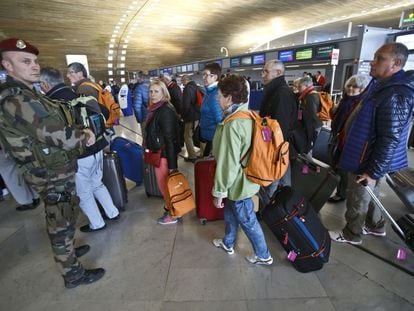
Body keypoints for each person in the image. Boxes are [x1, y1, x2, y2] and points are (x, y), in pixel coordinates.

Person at [0, 38, 104, 288]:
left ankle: (66, 253)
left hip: (53, 167)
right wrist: (84, 135)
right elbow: (52, 133)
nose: (34, 66)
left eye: (35, 61)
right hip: (48, 171)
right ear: (7, 66)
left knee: (64, 213)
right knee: (60, 218)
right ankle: (72, 274)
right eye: (25, 61)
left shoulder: (27, 94)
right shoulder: (16, 100)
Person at [329, 42, 414, 245]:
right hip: (365, 153)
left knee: (357, 196)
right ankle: (375, 226)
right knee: (370, 192)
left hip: (366, 157)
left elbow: (389, 138)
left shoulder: (395, 93)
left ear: (397, 63)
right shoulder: (381, 86)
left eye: (380, 58)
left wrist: (373, 172)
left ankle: (352, 233)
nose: (373, 62)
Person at [212, 74, 273, 265]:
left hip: (239, 183)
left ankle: (264, 255)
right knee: (231, 213)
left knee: (248, 220)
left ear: (230, 98)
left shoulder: (233, 125)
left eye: (220, 95)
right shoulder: (249, 115)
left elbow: (227, 163)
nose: (217, 98)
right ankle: (228, 242)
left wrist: (219, 191)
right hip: (244, 179)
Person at [65, 63, 120, 232]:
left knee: (85, 191)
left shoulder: (83, 89)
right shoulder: (94, 85)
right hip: (100, 141)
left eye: (71, 73)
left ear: (80, 73)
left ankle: (97, 222)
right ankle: (112, 212)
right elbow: (103, 110)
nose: (68, 76)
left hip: (89, 145)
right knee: (97, 182)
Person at [257, 60, 298, 208]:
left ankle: (271, 211)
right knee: (282, 181)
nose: (262, 75)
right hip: (279, 147)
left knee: (272, 181)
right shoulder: (274, 91)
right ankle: (281, 210)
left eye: (266, 71)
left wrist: (270, 146)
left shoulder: (282, 94)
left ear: (279, 73)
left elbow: (279, 126)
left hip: (278, 147)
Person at [328, 74, 370, 203]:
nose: (351, 89)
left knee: (344, 171)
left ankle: (342, 193)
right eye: (349, 86)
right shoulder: (345, 100)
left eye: (355, 86)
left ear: (363, 89)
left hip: (350, 144)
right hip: (339, 139)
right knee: (338, 167)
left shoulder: (361, 104)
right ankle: (341, 191)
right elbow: (336, 118)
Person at [144, 80, 181, 225]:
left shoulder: (164, 111)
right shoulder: (156, 109)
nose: (152, 94)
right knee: (165, 186)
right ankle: (171, 208)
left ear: (164, 93)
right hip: (160, 154)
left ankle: (173, 215)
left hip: (164, 156)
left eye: (156, 91)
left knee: (166, 187)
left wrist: (172, 165)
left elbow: (170, 139)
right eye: (151, 91)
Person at [199, 62, 222, 157]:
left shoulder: (214, 95)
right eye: (203, 74)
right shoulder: (209, 92)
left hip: (214, 139)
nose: (203, 77)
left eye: (206, 75)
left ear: (215, 77)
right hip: (209, 137)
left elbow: (220, 120)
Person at [298, 76, 322, 144]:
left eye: (300, 86)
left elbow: (312, 115)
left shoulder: (311, 96)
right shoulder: (306, 95)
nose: (298, 88)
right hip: (312, 125)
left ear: (306, 86)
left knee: (311, 145)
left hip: (313, 126)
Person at [181, 74, 200, 162]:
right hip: (197, 114)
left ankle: (192, 156)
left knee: (187, 136)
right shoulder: (195, 86)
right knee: (194, 134)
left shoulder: (188, 88)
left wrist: (183, 116)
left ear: (186, 80)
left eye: (182, 80)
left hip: (190, 116)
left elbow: (186, 105)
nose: (182, 82)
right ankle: (202, 152)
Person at [133, 71, 150, 135]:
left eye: (137, 78)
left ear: (141, 78)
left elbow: (137, 107)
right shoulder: (154, 85)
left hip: (145, 117)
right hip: (155, 116)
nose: (137, 79)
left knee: (146, 138)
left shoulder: (139, 88)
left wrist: (139, 120)